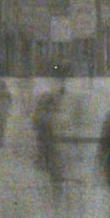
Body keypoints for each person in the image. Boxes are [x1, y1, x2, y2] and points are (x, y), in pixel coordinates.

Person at [32, 77, 67, 211]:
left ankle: (54, 199)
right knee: (54, 171)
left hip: (50, 148)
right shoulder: (47, 114)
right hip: (51, 148)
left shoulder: (44, 112)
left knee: (52, 171)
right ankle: (55, 200)